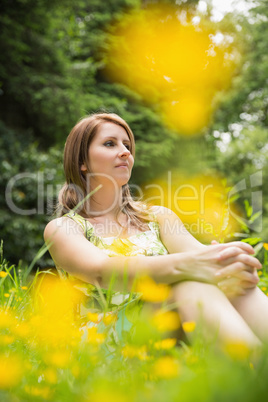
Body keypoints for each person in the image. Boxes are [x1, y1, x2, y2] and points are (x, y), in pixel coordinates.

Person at [44, 113, 268, 349]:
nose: (125, 152)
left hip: (166, 325)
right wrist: (194, 264)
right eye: (110, 143)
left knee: (230, 281)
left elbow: (197, 255)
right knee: (187, 283)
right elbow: (103, 273)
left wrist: (228, 263)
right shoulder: (64, 228)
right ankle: (253, 373)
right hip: (108, 342)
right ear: (83, 162)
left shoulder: (157, 217)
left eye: (127, 145)